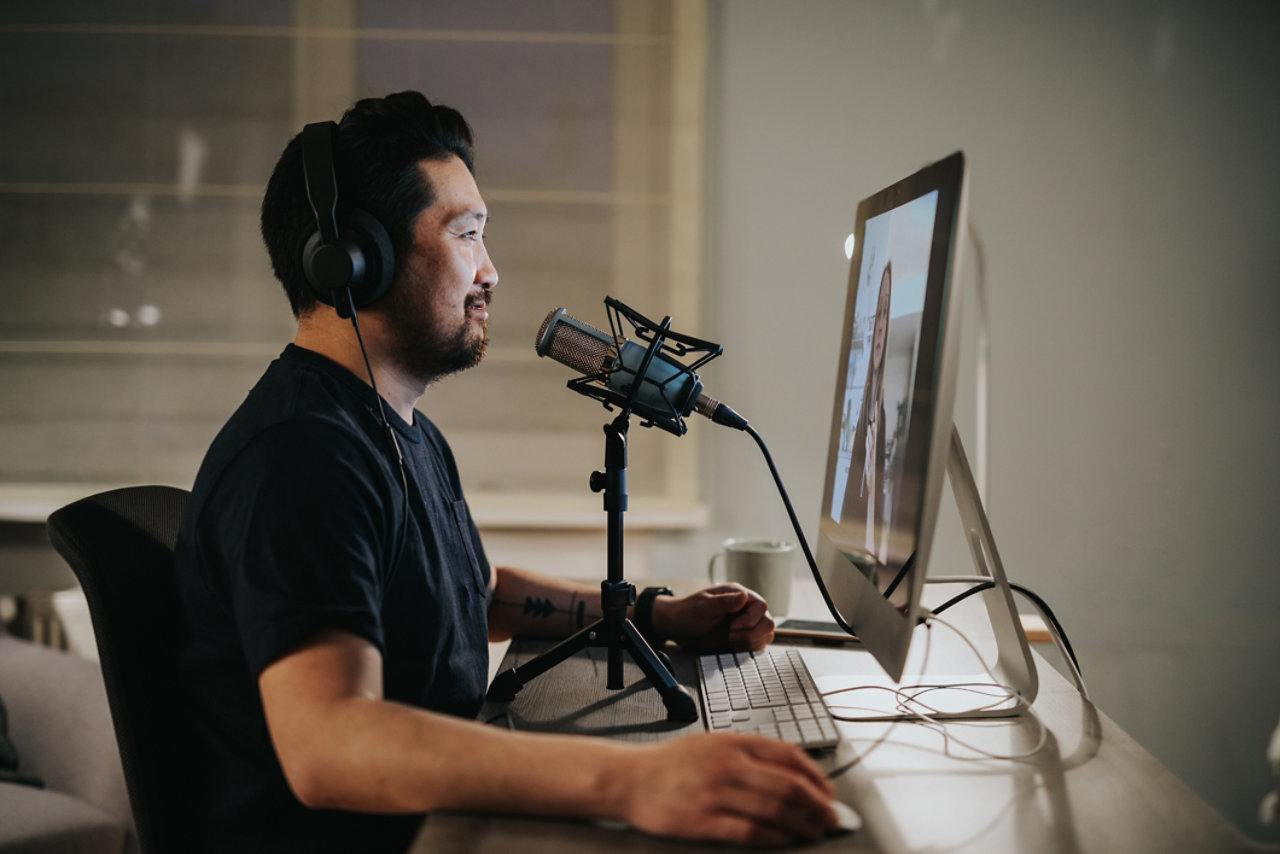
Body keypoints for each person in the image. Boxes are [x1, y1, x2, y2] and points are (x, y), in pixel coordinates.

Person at [172, 91, 840, 853]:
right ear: (356, 259)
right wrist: (633, 781)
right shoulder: (302, 456)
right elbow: (329, 743)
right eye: (467, 235)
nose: (491, 270)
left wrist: (654, 613)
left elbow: (471, 594)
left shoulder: (394, 430)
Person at [842, 261, 893, 563]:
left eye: (887, 312)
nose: (881, 324)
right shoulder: (862, 411)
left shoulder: (882, 415)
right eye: (879, 312)